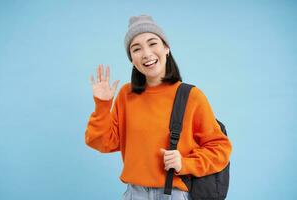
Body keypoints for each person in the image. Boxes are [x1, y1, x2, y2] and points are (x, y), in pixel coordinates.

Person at [85, 14, 232, 200]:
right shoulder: (126, 95)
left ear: (166, 48)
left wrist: (185, 163)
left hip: (174, 194)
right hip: (135, 193)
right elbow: (102, 142)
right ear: (132, 60)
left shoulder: (191, 96)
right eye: (136, 49)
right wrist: (102, 105)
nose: (146, 53)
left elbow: (220, 148)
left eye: (152, 43)